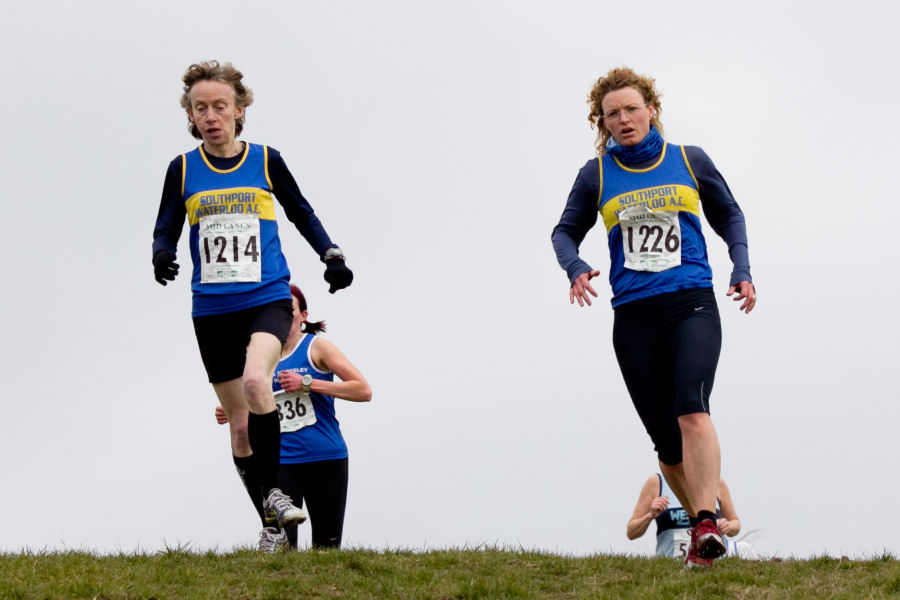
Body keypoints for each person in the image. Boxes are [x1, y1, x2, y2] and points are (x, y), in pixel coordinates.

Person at [551, 67, 756, 568]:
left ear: (651, 110)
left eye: (631, 109)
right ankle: (705, 544)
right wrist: (575, 267)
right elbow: (563, 233)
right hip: (634, 316)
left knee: (692, 408)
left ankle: (705, 522)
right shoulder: (595, 174)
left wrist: (742, 265)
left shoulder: (689, 160)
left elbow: (729, 213)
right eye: (612, 114)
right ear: (603, 123)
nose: (624, 120)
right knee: (666, 445)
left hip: (691, 303)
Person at [151, 61, 355, 549]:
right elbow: (165, 226)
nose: (211, 116)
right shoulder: (182, 170)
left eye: (220, 106)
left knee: (254, 382)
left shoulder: (265, 160)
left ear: (239, 110)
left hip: (266, 297)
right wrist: (161, 253)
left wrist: (331, 254)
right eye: (200, 108)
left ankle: (276, 498)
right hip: (211, 308)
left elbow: (300, 210)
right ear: (191, 115)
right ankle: (271, 515)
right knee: (240, 428)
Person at [216, 284, 371, 552]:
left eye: (290, 309)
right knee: (283, 547)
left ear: (303, 316)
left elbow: (362, 390)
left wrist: (308, 383)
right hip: (279, 463)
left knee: (327, 549)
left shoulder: (317, 347)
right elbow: (257, 403)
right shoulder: (258, 358)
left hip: (325, 457)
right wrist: (232, 410)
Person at [627, 474, 740, 559]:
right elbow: (631, 532)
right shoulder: (656, 482)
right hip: (670, 566)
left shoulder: (715, 481)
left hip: (713, 564)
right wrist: (650, 515)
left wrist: (728, 526)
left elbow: (735, 524)